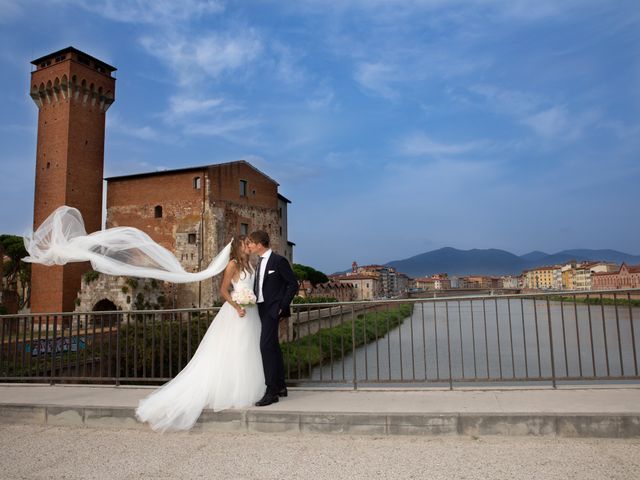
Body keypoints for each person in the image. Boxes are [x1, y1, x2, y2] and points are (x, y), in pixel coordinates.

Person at [135, 236, 266, 431]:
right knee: (236, 349)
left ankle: (247, 388)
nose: (249, 246)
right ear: (239, 247)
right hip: (238, 312)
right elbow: (223, 290)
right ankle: (232, 390)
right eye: (246, 244)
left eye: (249, 243)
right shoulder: (232, 264)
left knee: (249, 349)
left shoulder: (251, 263)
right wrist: (237, 306)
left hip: (252, 312)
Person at [247, 230, 298, 407]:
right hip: (261, 308)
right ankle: (281, 386)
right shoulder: (259, 262)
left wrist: (281, 307)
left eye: (251, 243)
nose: (249, 246)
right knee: (274, 347)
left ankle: (271, 391)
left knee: (265, 346)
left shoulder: (278, 260)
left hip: (272, 310)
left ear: (260, 244)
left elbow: (293, 284)